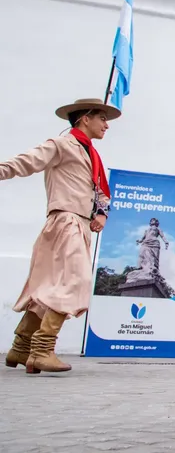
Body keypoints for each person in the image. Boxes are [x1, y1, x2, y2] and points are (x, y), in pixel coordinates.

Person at [2, 98, 117, 373]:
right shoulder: (62, 144)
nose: (106, 125)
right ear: (84, 118)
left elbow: (99, 191)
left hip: (72, 222)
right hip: (66, 221)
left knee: (46, 287)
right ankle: (42, 349)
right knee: (74, 280)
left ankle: (21, 347)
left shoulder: (91, 154)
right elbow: (26, 162)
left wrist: (101, 213)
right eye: (102, 118)